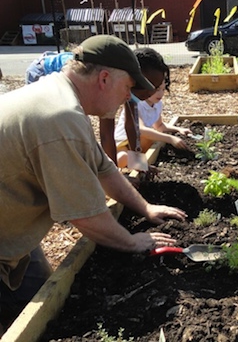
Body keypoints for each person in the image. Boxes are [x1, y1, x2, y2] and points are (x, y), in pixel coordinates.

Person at [0, 35, 187, 330]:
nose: (129, 97)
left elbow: (105, 169)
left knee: (44, 312)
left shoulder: (64, 99)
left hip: (16, 238)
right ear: (103, 78)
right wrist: (132, 241)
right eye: (127, 87)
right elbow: (84, 214)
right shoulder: (58, 117)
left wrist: (146, 208)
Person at [114, 48, 193, 168]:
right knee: (122, 158)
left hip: (140, 144)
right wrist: (170, 139)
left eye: (162, 89)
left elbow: (159, 126)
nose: (159, 94)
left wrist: (178, 130)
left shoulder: (156, 105)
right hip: (123, 143)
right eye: (155, 89)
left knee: (149, 144)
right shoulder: (136, 102)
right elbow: (139, 129)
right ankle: (129, 166)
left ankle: (137, 163)